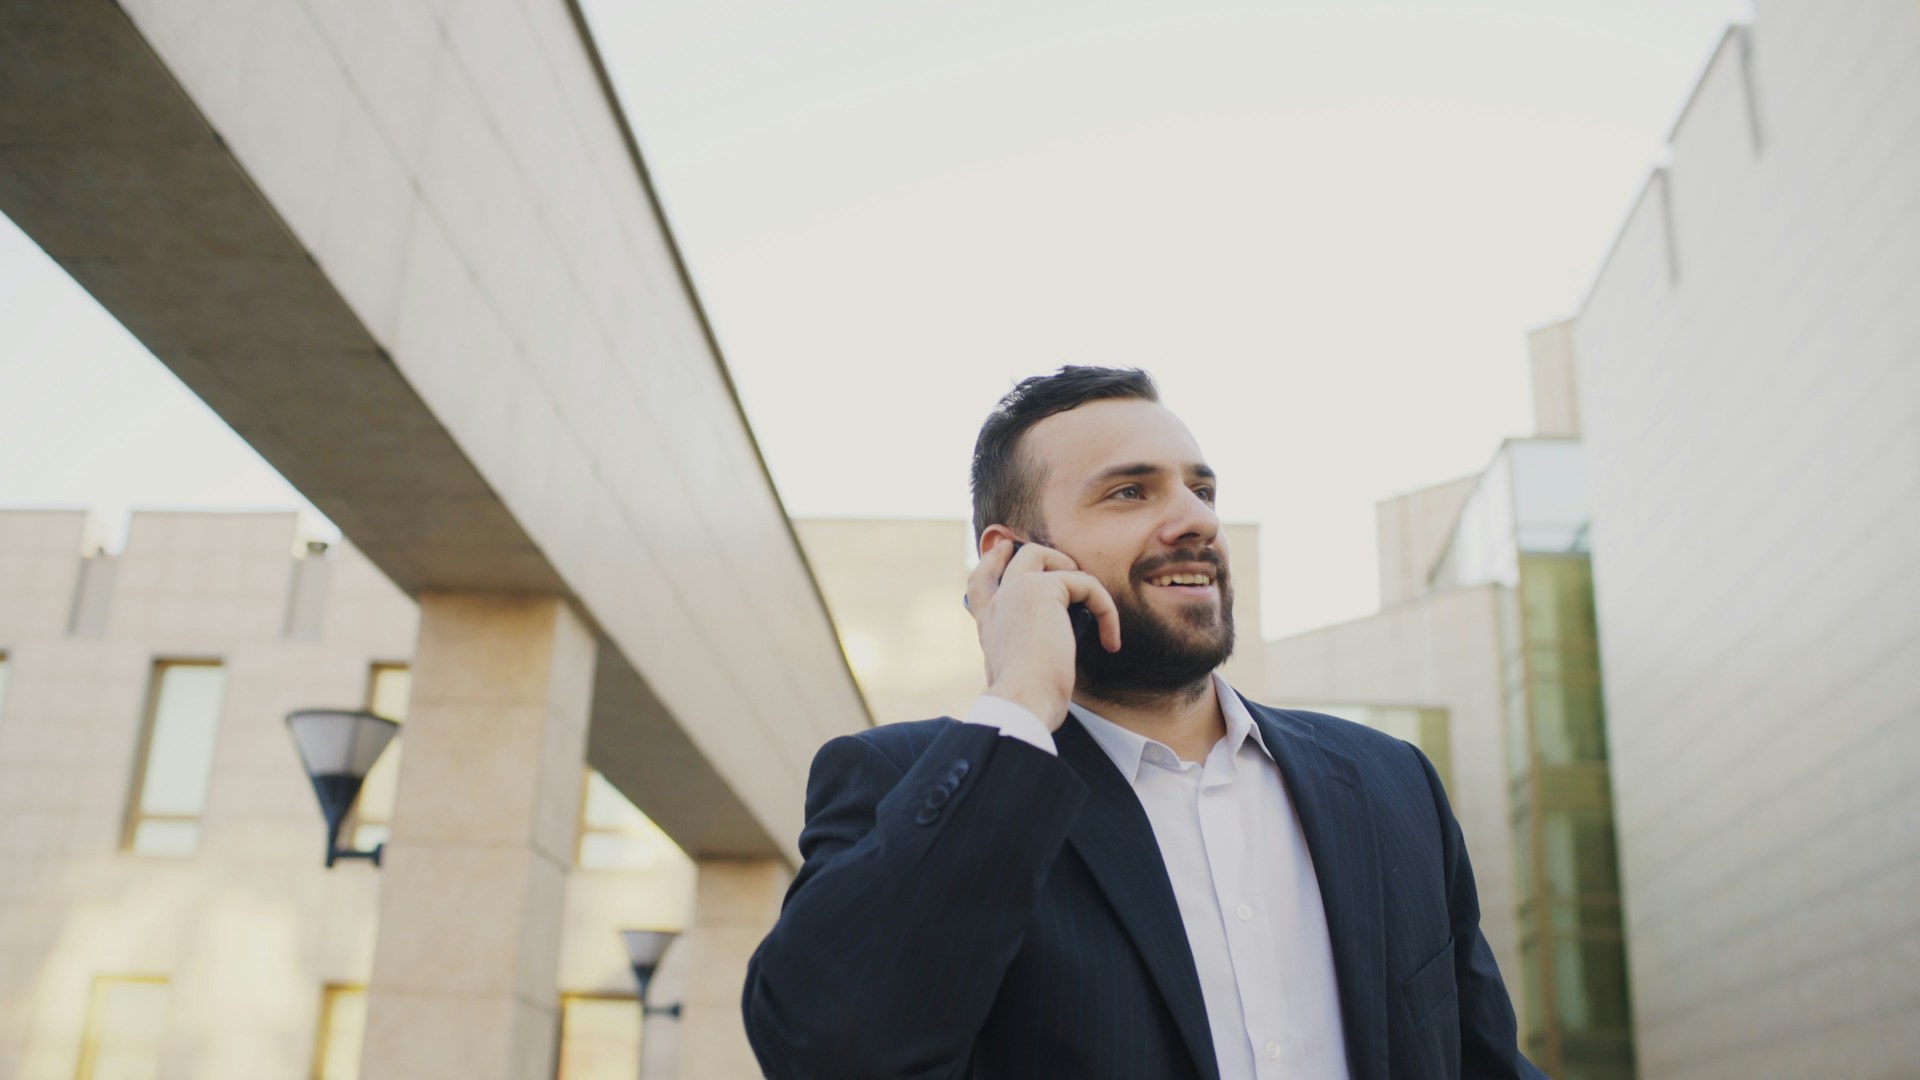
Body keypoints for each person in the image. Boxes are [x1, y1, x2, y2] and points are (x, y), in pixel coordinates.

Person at [742, 367, 1543, 1079]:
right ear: (1013, 558)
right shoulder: (903, 782)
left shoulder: (1390, 782)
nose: (1194, 519)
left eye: (1203, 490)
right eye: (1131, 491)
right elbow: (830, 1049)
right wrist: (1022, 693)